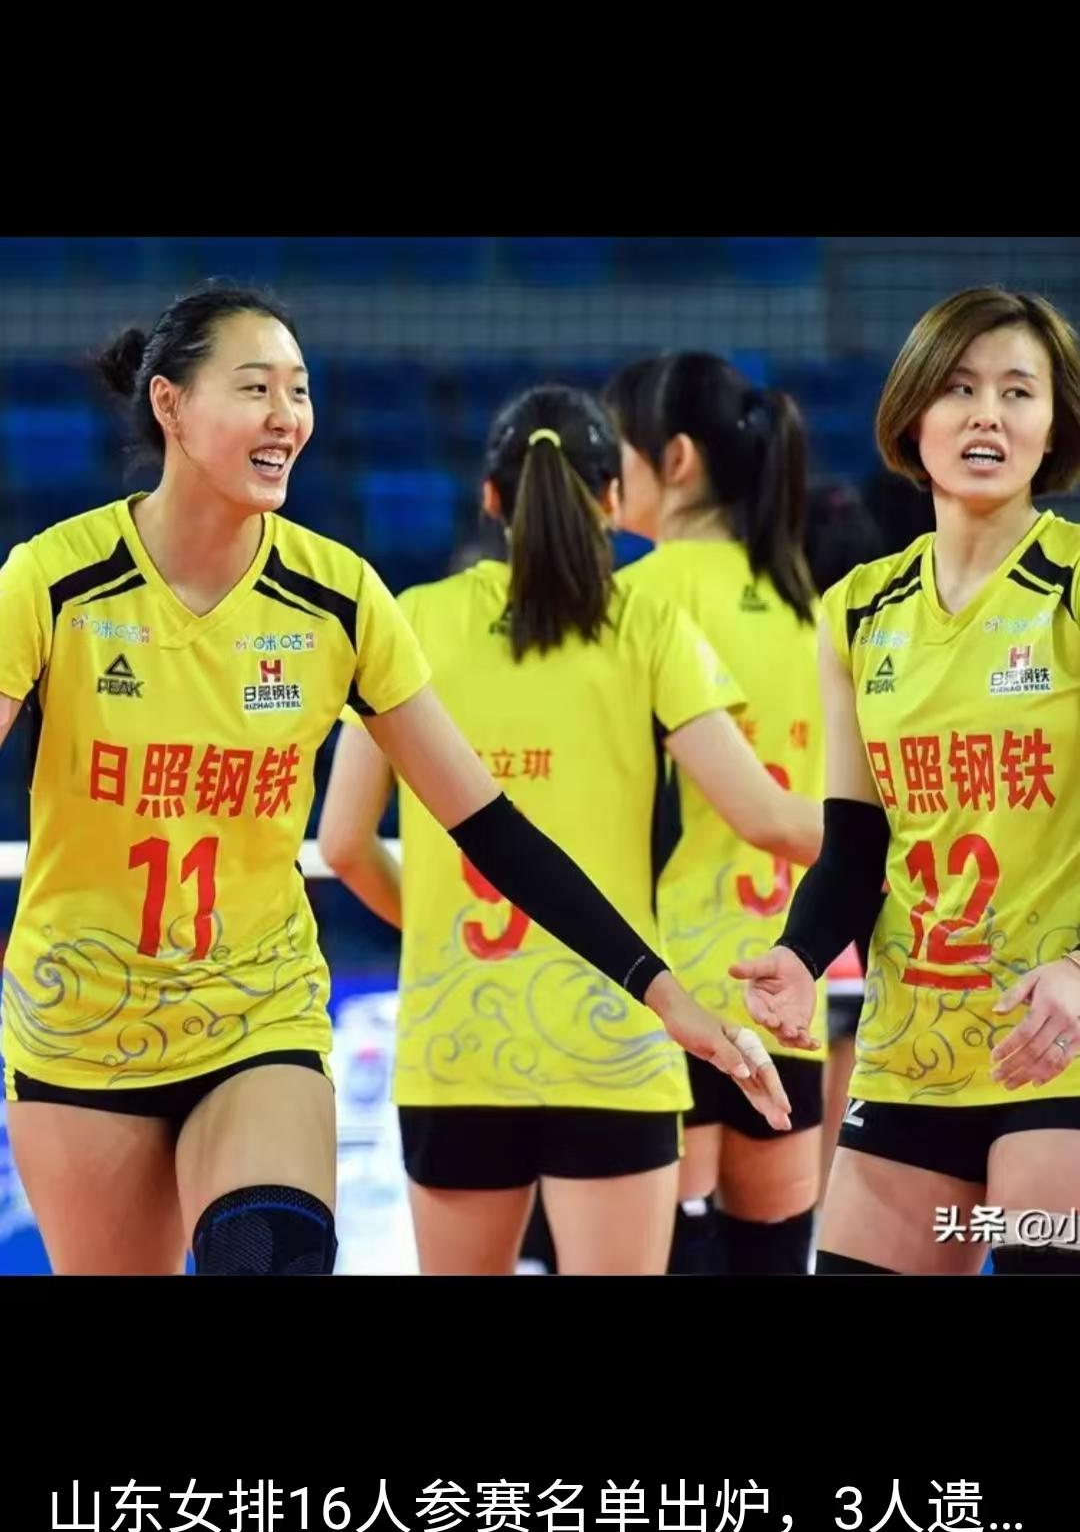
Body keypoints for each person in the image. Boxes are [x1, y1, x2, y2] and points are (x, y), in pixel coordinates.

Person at [0, 291, 789, 1277]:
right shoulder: (54, 581)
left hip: (257, 1016)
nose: (287, 416)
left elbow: (493, 829)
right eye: (255, 389)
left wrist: (665, 995)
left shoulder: (340, 597)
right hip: (81, 1021)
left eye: (299, 390)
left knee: (270, 1252)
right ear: (170, 404)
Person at [318, 384, 820, 1275]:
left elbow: (344, 845)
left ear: (490, 497)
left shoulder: (414, 618)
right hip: (616, 1029)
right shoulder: (647, 624)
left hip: (459, 1040)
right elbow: (763, 815)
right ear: (613, 500)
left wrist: (433, 925)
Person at [734, 286, 1080, 1275]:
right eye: (959, 388)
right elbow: (856, 846)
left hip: (1059, 1053)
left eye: (1018, 391)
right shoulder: (858, 611)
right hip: (912, 1060)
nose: (987, 415)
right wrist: (800, 954)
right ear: (912, 415)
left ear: (1054, 427)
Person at [607, 354, 825, 1276]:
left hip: (664, 995)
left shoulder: (635, 600)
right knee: (773, 1254)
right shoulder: (810, 605)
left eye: (619, 451)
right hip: (787, 984)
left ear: (676, 459)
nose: (606, 473)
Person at [803, 482, 886, 1197]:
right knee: (847, 1069)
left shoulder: (794, 639)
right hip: (861, 897)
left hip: (795, 902)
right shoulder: (882, 641)